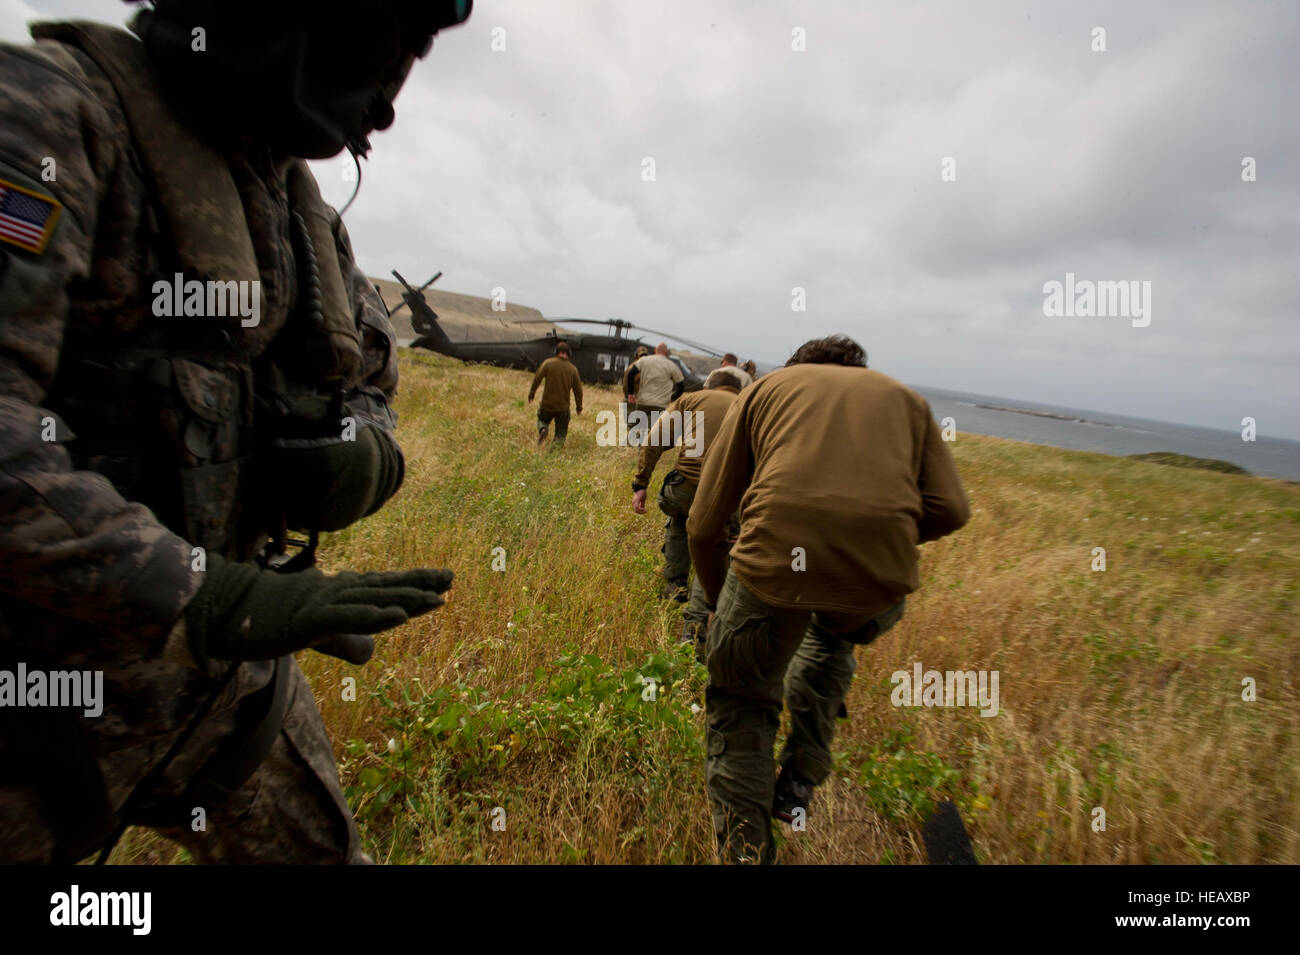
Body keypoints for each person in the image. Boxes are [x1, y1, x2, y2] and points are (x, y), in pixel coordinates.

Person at [0, 1, 472, 865]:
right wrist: (205, 597)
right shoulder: (46, 119)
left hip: (226, 691)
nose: (388, 103)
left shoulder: (298, 212)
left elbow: (374, 378)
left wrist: (366, 456)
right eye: (382, 48)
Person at [687, 335, 971, 864]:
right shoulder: (907, 399)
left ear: (799, 367)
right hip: (874, 578)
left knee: (742, 703)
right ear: (858, 369)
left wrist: (714, 602)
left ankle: (747, 856)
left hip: (771, 564)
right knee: (833, 636)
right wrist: (872, 541)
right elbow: (951, 510)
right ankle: (801, 774)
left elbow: (703, 525)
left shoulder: (767, 389)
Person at [631, 368, 745, 628]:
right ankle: (706, 606)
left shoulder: (691, 400)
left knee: (681, 519)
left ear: (709, 386)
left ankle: (676, 583)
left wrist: (641, 483)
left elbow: (655, 440)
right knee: (725, 541)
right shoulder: (748, 403)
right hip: (731, 493)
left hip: (686, 488)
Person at [527, 340, 583, 450]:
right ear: (569, 353)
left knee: (541, 420)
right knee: (561, 434)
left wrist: (531, 394)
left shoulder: (548, 363)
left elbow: (537, 379)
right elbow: (578, 391)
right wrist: (579, 407)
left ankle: (543, 429)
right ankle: (553, 453)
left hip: (547, 405)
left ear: (556, 351)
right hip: (562, 408)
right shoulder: (573, 370)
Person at [625, 342, 682, 445]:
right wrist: (673, 397)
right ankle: (639, 449)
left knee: (639, 429)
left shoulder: (643, 360)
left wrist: (631, 393)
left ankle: (629, 447)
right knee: (651, 433)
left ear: (655, 350)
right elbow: (681, 385)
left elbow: (631, 373)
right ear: (667, 352)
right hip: (659, 405)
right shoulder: (672, 365)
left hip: (642, 403)